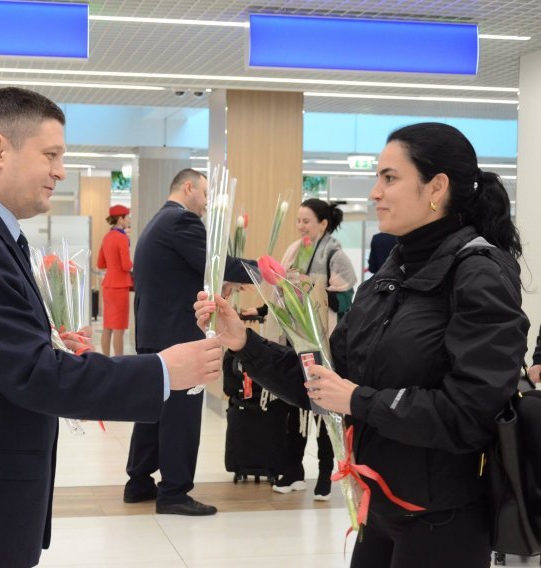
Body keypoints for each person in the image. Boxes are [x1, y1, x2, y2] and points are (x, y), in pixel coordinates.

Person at [0, 87, 223, 568]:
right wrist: (162, 370)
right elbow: (37, 376)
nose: (60, 170)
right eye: (51, 155)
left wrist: (48, 342)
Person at [195, 122, 529, 567]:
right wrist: (243, 342)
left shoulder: (479, 274)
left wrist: (358, 399)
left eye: (390, 178)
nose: (375, 192)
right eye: (377, 177)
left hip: (444, 516)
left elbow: (471, 413)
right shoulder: (394, 272)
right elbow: (324, 379)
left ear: (437, 187)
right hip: (379, 504)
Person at [125, 168, 255, 516]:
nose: (208, 200)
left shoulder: (157, 222)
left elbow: (192, 273)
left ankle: (138, 482)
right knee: (181, 415)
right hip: (178, 336)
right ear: (188, 187)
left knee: (152, 410)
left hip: (155, 333)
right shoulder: (182, 222)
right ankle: (174, 493)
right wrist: (267, 272)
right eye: (205, 192)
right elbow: (217, 264)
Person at [242, 199, 356, 499]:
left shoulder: (335, 255)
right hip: (293, 342)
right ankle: (292, 470)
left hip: (324, 345)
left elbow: (346, 302)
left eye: (307, 221)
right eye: (298, 221)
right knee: (290, 407)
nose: (301, 226)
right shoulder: (293, 251)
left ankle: (325, 473)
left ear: (323, 224)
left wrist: (308, 295)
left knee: (322, 409)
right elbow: (278, 294)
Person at [97, 204, 133, 356]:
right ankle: (119, 362)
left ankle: (105, 359)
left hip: (108, 286)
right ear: (120, 219)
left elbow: (100, 263)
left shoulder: (107, 237)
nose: (128, 219)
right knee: (119, 329)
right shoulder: (122, 238)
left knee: (108, 326)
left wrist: (113, 265)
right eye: (127, 217)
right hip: (120, 286)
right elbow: (126, 265)